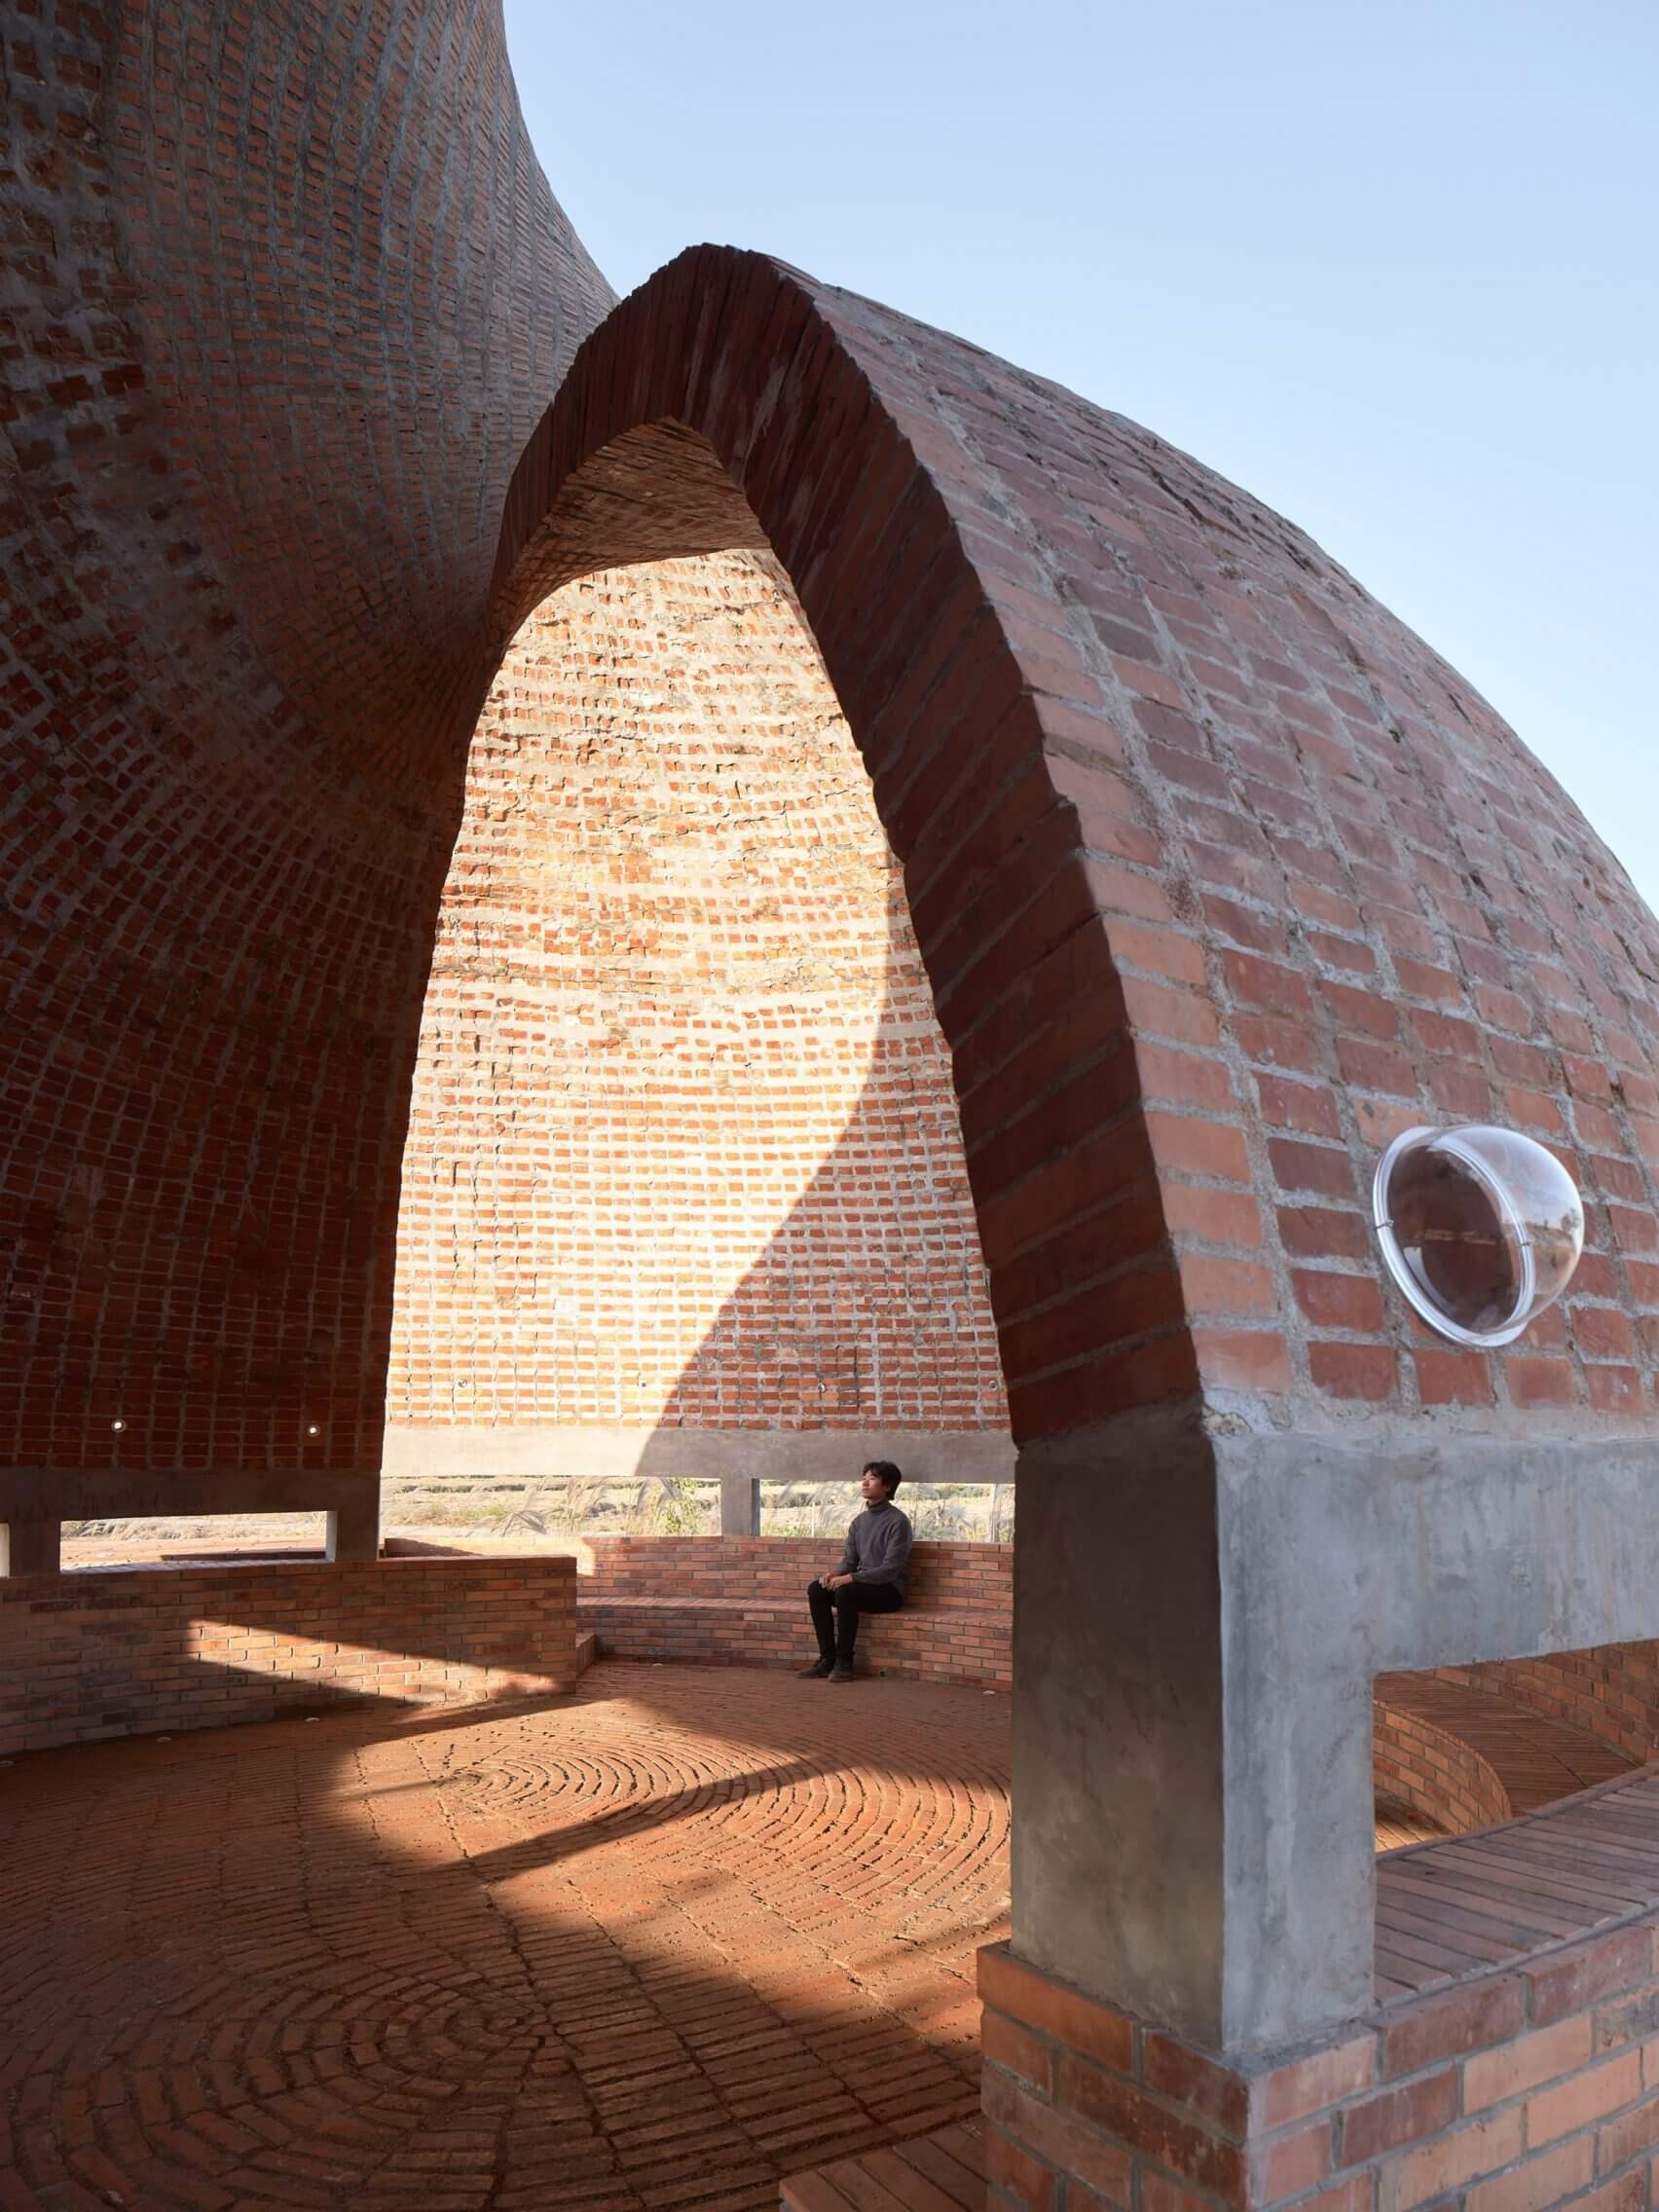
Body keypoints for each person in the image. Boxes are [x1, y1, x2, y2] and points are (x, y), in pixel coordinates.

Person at [800, 1460, 912, 1682]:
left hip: (888, 1591)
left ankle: (844, 1662)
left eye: (872, 1478)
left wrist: (850, 1578)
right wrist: (834, 1575)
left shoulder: (898, 1522)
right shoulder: (859, 1522)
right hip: (861, 1586)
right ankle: (827, 1659)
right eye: (864, 1477)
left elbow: (889, 1570)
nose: (864, 1482)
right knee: (817, 1589)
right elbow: (850, 1561)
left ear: (887, 1486)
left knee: (846, 1593)